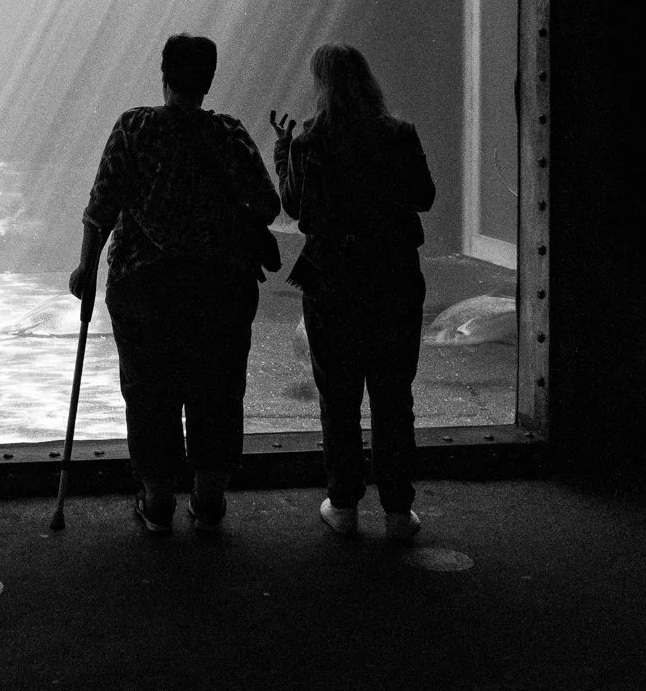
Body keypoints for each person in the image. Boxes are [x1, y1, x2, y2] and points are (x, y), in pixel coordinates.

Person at [70, 33, 280, 534]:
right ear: (209, 81)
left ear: (163, 75)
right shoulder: (229, 133)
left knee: (149, 391)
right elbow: (268, 206)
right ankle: (208, 502)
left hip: (145, 287)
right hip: (220, 288)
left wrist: (86, 266)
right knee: (217, 389)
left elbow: (100, 209)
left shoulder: (134, 127)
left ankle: (158, 500)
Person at [270, 44, 436, 540]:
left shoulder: (309, 141)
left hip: (333, 282)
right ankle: (398, 511)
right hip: (392, 277)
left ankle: (343, 505)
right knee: (392, 394)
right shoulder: (399, 134)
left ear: (320, 85)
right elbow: (424, 197)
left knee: (338, 396)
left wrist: (283, 151)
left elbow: (294, 207)